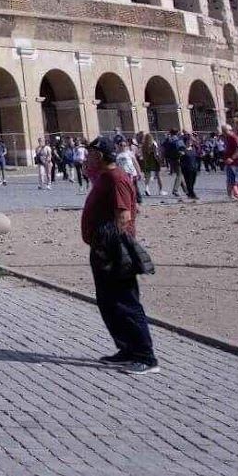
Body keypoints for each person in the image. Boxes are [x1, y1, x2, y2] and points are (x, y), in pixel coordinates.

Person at [81, 137, 159, 374]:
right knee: (109, 303)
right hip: (103, 249)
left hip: (114, 251)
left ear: (102, 156)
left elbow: (124, 216)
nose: (87, 158)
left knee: (126, 303)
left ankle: (146, 357)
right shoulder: (105, 177)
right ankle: (127, 349)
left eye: (91, 154)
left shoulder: (116, 178)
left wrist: (110, 247)